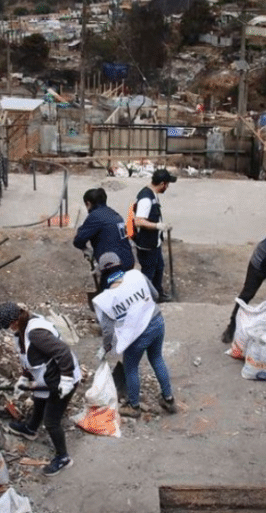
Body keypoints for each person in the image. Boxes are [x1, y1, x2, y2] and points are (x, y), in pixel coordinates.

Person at [0, 302, 82, 476]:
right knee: (39, 400)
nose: (7, 329)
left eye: (7, 326)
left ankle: (63, 457)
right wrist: (24, 377)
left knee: (51, 421)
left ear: (15, 321)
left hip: (61, 379)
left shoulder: (36, 333)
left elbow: (63, 352)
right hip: (47, 377)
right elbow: (30, 357)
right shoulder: (23, 331)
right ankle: (31, 429)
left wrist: (66, 379)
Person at [91, 252, 177, 418]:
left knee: (130, 367)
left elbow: (107, 330)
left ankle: (134, 406)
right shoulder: (136, 275)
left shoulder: (106, 299)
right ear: (120, 264)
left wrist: (107, 346)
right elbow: (156, 295)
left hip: (137, 335)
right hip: (157, 322)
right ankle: (168, 399)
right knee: (157, 358)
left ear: (103, 272)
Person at [132, 169, 177, 302]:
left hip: (154, 242)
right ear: (162, 184)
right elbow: (138, 221)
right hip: (147, 244)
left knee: (159, 267)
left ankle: (158, 294)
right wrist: (158, 226)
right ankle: (145, 300)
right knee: (148, 272)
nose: (167, 187)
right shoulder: (146, 199)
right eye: (167, 184)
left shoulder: (152, 193)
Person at [73, 188, 135, 273]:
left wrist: (86, 249)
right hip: (128, 261)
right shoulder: (114, 214)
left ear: (88, 203)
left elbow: (78, 240)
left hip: (114, 265)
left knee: (108, 285)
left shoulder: (95, 216)